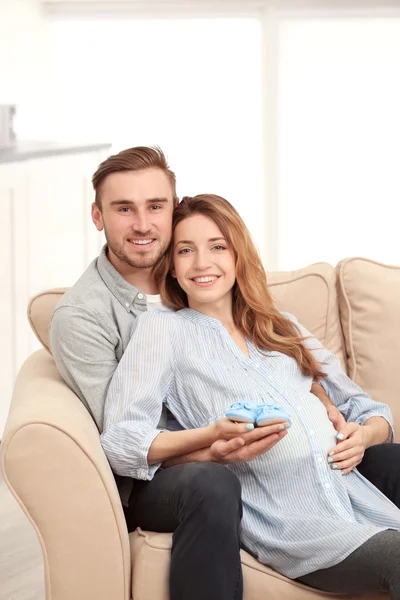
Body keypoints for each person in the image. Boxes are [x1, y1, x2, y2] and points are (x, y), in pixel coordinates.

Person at [50, 146, 400, 599]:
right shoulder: (155, 329)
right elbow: (123, 439)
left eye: (218, 247)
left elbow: (367, 408)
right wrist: (212, 441)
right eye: (187, 251)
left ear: (238, 254)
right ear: (171, 267)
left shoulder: (280, 325)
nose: (203, 263)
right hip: (282, 517)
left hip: (344, 492)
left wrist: (348, 422)